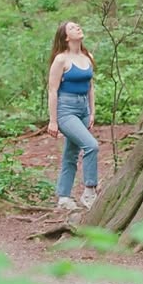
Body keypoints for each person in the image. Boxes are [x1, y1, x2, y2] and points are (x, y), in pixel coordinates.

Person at [46, 20, 100, 210]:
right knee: (92, 146)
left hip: (83, 108)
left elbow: (90, 87)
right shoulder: (61, 59)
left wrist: (92, 111)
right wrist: (53, 120)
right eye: (72, 27)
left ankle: (64, 197)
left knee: (71, 153)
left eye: (78, 25)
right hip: (65, 109)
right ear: (66, 37)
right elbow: (52, 90)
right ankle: (89, 192)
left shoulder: (87, 57)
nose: (78, 28)